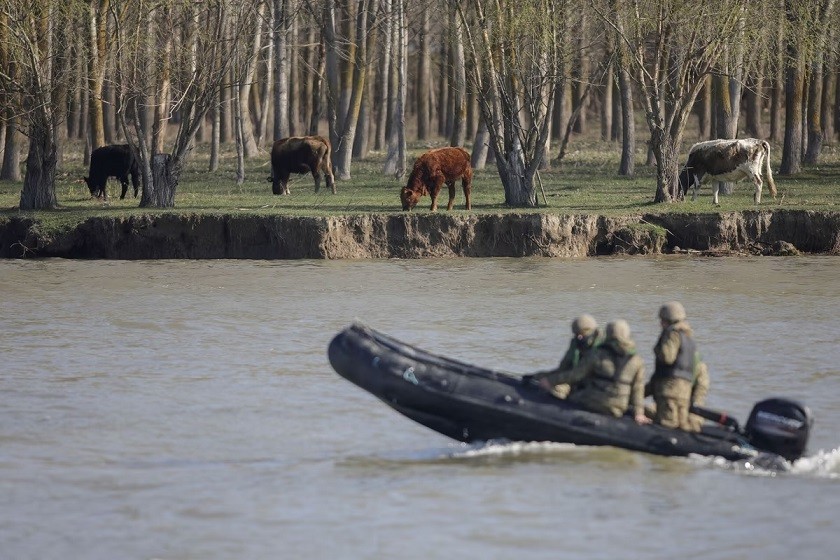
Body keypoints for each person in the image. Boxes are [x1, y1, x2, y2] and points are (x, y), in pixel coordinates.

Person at [535, 319, 650, 425]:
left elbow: (576, 375)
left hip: (593, 401)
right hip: (618, 407)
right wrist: (639, 413)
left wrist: (550, 381)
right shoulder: (637, 360)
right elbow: (638, 389)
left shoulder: (597, 354)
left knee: (569, 398)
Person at [648, 301, 709, 432]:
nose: (660, 324)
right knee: (681, 426)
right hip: (683, 396)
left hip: (669, 393)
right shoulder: (690, 343)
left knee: (666, 427)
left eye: (662, 320)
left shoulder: (672, 335)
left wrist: (657, 347)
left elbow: (666, 357)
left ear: (666, 320)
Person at [524, 314, 603, 398]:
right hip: (575, 381)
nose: (579, 337)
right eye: (576, 334)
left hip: (594, 387)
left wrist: (551, 381)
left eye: (582, 333)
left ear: (592, 332)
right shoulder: (576, 344)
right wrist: (537, 376)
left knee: (557, 388)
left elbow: (578, 373)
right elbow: (562, 369)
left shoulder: (602, 349)